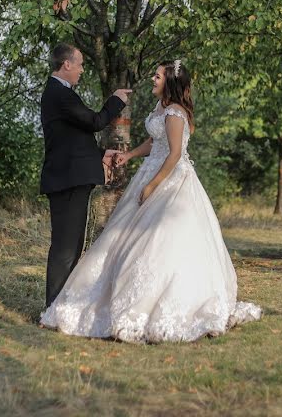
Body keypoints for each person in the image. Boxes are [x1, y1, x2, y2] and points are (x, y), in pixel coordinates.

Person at [40, 59, 262, 342]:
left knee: (160, 241)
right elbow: (154, 143)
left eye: (157, 76)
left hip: (171, 182)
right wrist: (130, 155)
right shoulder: (160, 109)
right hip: (149, 174)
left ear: (169, 80)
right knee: (125, 240)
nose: (152, 79)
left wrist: (153, 185)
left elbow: (173, 155)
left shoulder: (175, 112)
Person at [40, 42, 132, 309]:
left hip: (71, 177)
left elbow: (73, 139)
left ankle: (61, 305)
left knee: (73, 245)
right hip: (66, 180)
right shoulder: (59, 93)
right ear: (66, 64)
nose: (82, 69)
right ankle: (52, 308)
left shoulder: (61, 93)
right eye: (79, 64)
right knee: (65, 249)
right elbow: (94, 122)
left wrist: (99, 154)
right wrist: (116, 100)